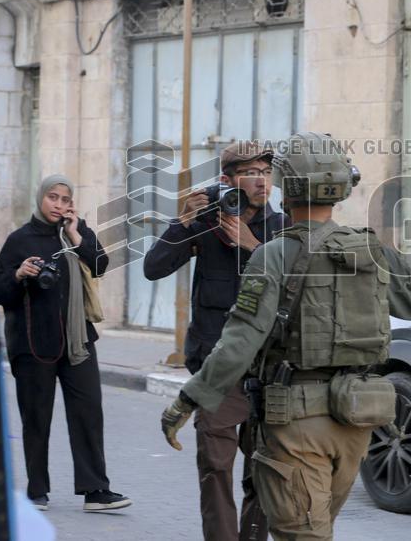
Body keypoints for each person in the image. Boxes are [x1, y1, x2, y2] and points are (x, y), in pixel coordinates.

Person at [160, 132, 411, 541]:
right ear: (342, 186)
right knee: (315, 526)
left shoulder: (273, 253)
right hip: (357, 420)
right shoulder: (368, 249)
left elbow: (239, 342)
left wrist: (186, 401)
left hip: (298, 423)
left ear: (285, 190)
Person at [144, 141, 286, 541]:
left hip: (268, 370)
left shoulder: (283, 228)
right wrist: (183, 222)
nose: (261, 181)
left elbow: (298, 289)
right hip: (215, 372)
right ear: (227, 180)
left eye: (266, 172)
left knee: (264, 472)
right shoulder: (207, 224)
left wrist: (254, 247)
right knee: (215, 468)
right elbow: (154, 268)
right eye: (251, 173)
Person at [0, 175, 130, 513]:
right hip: (33, 343)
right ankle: (37, 490)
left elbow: (100, 265)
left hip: (78, 342)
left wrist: (76, 235)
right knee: (36, 417)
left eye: (65, 199)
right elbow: (1, 292)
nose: (58, 204)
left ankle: (95, 490)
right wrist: (19, 274)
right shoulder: (20, 240)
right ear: (41, 198)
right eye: (52, 197)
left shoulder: (77, 233)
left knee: (88, 413)